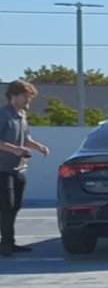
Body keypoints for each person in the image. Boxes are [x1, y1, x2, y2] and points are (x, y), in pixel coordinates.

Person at [0, 80, 50, 255]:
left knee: (15, 206)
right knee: (7, 206)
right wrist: (16, 150)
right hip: (2, 170)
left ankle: (8, 241)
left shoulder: (21, 116)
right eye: (25, 97)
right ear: (13, 96)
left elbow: (25, 138)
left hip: (18, 169)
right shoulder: (3, 115)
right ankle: (6, 244)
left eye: (30, 98)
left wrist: (38, 146)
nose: (28, 101)